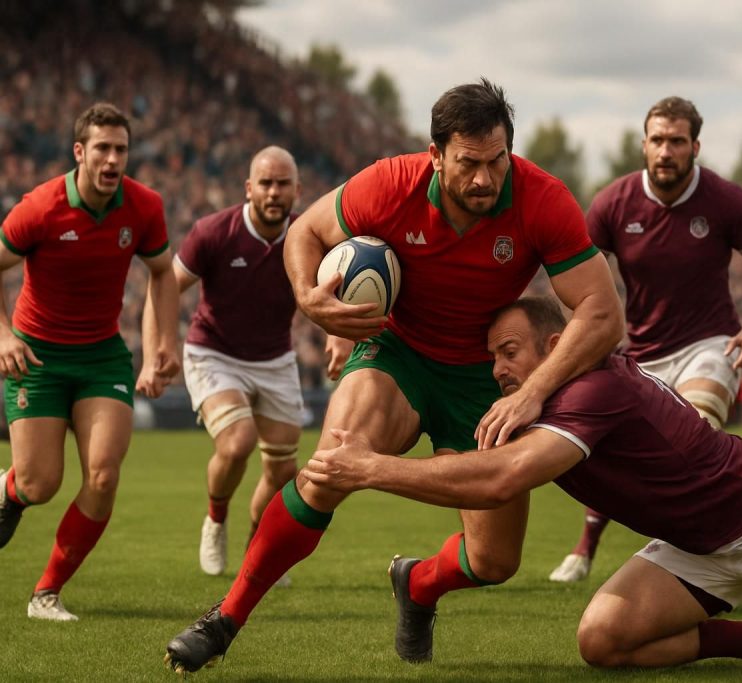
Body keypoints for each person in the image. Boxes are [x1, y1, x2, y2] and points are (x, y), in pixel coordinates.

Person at [164, 78, 624, 673]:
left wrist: (533, 391)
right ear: (436, 155)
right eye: (468, 164)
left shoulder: (542, 198)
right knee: (331, 465)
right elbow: (306, 232)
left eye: (497, 161)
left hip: (483, 379)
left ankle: (418, 584)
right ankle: (225, 617)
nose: (485, 179)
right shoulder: (389, 184)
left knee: (494, 561)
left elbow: (602, 313)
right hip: (396, 353)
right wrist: (309, 298)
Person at [306, 296, 742, 669]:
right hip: (696, 543)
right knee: (603, 641)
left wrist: (370, 467)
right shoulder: (550, 392)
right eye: (493, 355)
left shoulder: (590, 390)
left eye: (509, 351)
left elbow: (503, 478)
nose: (497, 369)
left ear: (555, 345)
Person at [549, 96, 742, 583]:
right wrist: (583, 338)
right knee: (618, 450)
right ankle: (587, 545)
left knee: (689, 441)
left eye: (677, 141)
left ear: (695, 147)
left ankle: (680, 563)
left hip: (710, 345)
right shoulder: (613, 203)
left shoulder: (725, 199)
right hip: (639, 355)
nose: (665, 151)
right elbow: (573, 276)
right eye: (657, 140)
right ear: (643, 144)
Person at [0, 102, 179, 621]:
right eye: (102, 148)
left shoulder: (144, 206)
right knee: (39, 484)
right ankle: (9, 488)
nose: (112, 159)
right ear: (80, 152)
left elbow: (162, 272)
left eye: (121, 149)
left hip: (103, 357)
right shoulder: (40, 207)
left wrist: (162, 345)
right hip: (36, 357)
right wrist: (4, 335)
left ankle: (46, 593)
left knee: (103, 477)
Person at [163, 146, 310, 583]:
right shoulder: (213, 232)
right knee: (237, 442)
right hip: (214, 352)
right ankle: (215, 519)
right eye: (265, 183)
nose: (273, 192)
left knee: (283, 470)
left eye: (282, 184)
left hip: (275, 357)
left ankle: (257, 550)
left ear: (297, 190)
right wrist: (159, 347)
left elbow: (331, 292)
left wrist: (339, 340)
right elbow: (166, 286)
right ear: (249, 188)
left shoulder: (307, 236)